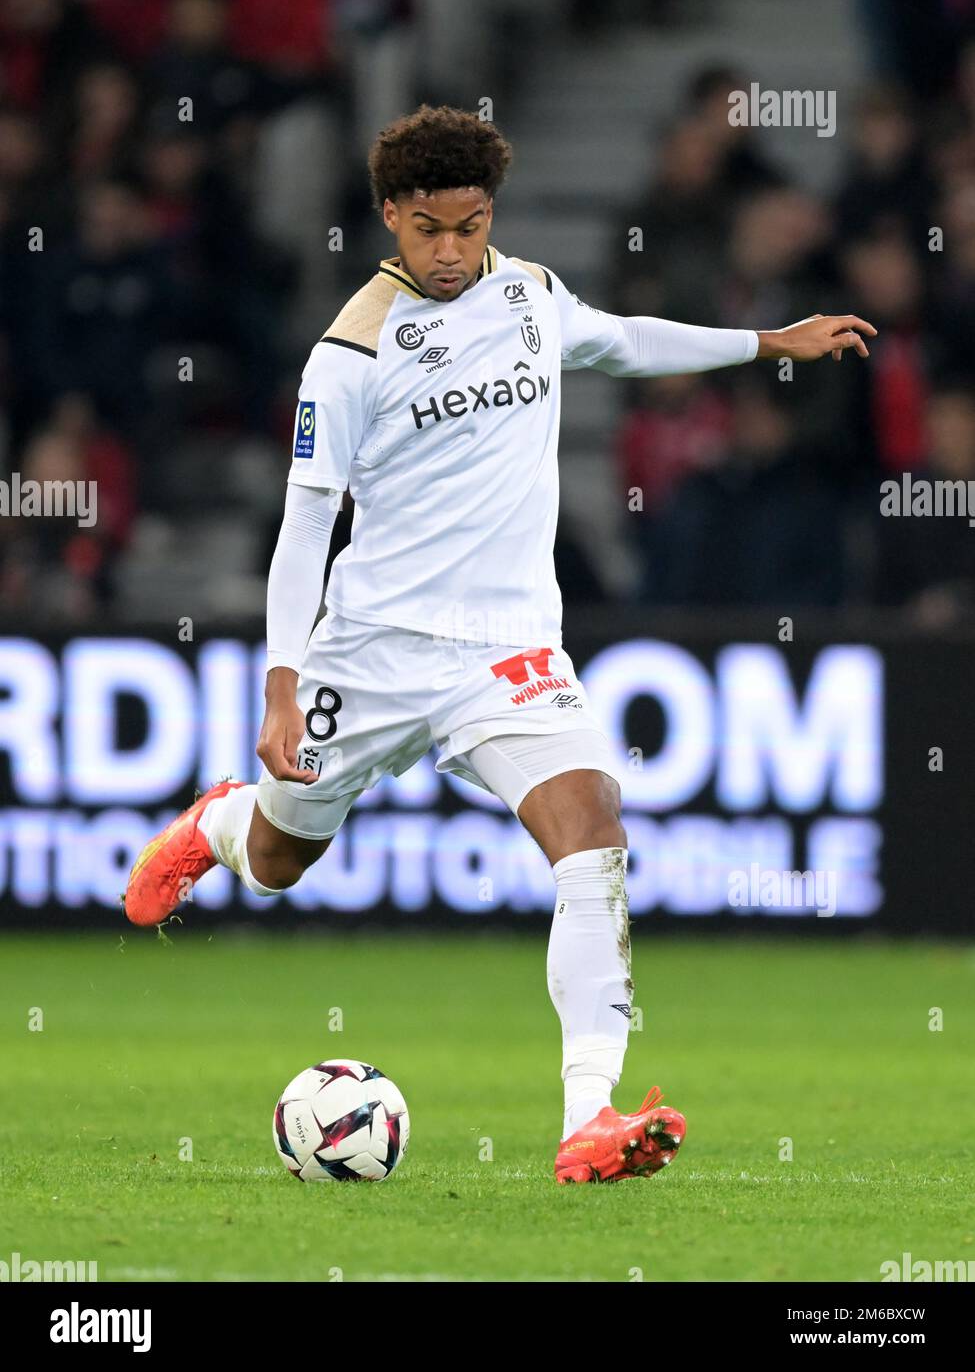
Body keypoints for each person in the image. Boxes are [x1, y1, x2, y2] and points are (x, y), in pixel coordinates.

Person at [123, 104, 877, 1184]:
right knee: (286, 858)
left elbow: (620, 341)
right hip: (374, 650)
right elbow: (303, 529)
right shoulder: (348, 354)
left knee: (594, 836)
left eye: (469, 226)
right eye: (428, 228)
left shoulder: (527, 294)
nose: (450, 251)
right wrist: (282, 685)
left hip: (509, 650)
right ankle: (222, 821)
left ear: (492, 216)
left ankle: (588, 1119)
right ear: (390, 215)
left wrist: (768, 340)